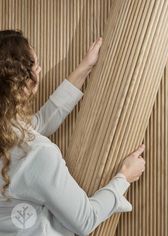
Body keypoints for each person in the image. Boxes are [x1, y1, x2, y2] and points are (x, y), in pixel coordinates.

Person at [0, 30, 146, 236]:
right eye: (36, 65)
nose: (40, 69)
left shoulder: (7, 135)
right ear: (23, 84)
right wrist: (124, 178)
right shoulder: (37, 154)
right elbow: (85, 219)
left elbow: (40, 123)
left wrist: (84, 68)